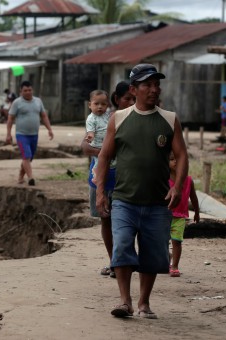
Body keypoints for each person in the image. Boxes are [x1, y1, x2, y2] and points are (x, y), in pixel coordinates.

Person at [95, 63, 188, 319]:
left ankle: (144, 302)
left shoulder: (169, 120)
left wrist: (178, 187)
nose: (154, 89)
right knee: (123, 246)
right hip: (125, 200)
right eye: (148, 84)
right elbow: (104, 157)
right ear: (134, 89)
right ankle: (124, 301)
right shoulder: (119, 118)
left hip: (158, 202)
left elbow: (181, 156)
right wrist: (101, 192)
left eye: (157, 84)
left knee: (152, 253)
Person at [82, 82, 135, 279]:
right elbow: (86, 146)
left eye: (133, 99)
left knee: (124, 222)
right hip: (101, 176)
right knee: (106, 219)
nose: (131, 103)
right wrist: (105, 153)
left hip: (124, 178)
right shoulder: (104, 118)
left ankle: (122, 261)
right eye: (127, 99)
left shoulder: (135, 118)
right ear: (117, 99)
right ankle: (115, 262)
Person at [6, 81, 54, 186]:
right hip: (21, 135)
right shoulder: (17, 103)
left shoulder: (38, 101)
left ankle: (20, 175)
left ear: (32, 90)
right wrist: (8, 134)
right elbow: (10, 119)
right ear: (21, 91)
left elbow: (44, 116)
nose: (28, 92)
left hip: (34, 135)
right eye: (25, 90)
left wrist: (49, 129)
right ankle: (31, 178)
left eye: (30, 90)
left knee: (29, 157)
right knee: (26, 155)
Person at [168, 151, 200, 278]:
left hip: (179, 216)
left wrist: (197, 212)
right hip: (164, 216)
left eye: (178, 159)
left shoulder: (188, 180)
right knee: (161, 242)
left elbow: (194, 198)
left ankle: (175, 266)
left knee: (177, 241)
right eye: (172, 159)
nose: (175, 161)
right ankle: (167, 258)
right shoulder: (164, 179)